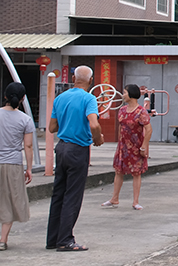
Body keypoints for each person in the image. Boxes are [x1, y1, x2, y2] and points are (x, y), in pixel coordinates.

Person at [46, 65, 104, 252]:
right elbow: (94, 124)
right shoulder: (89, 98)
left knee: (58, 194)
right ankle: (65, 240)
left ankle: (53, 239)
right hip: (78, 149)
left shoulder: (60, 98)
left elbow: (52, 128)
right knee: (73, 195)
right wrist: (98, 138)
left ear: (73, 77)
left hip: (61, 148)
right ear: (91, 80)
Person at [101, 85, 151, 210]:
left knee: (136, 173)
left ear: (131, 94)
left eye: (124, 93)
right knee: (118, 171)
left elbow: (148, 129)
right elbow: (120, 127)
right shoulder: (122, 110)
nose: (123, 95)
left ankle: (135, 201)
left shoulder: (141, 112)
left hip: (136, 146)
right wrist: (119, 142)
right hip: (123, 146)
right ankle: (114, 198)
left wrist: (144, 146)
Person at [0, 82, 33, 251]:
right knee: (9, 201)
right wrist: (29, 168)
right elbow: (28, 146)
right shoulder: (25, 119)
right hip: (13, 163)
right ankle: (2, 240)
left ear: (5, 96)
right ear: (22, 98)